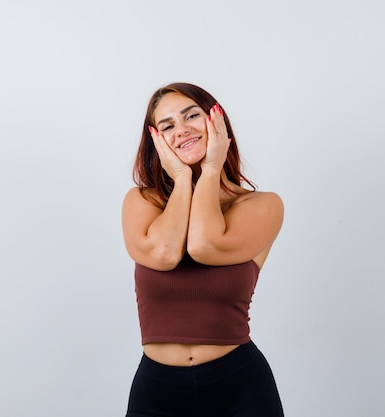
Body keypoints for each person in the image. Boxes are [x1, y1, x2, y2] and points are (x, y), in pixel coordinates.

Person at [121, 82, 285, 417]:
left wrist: (210, 169)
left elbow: (204, 244)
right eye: (167, 126)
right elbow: (165, 253)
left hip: (240, 387)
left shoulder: (262, 205)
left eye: (191, 116)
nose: (181, 130)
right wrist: (182, 179)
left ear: (216, 121)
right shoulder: (142, 201)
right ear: (156, 140)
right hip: (157, 391)